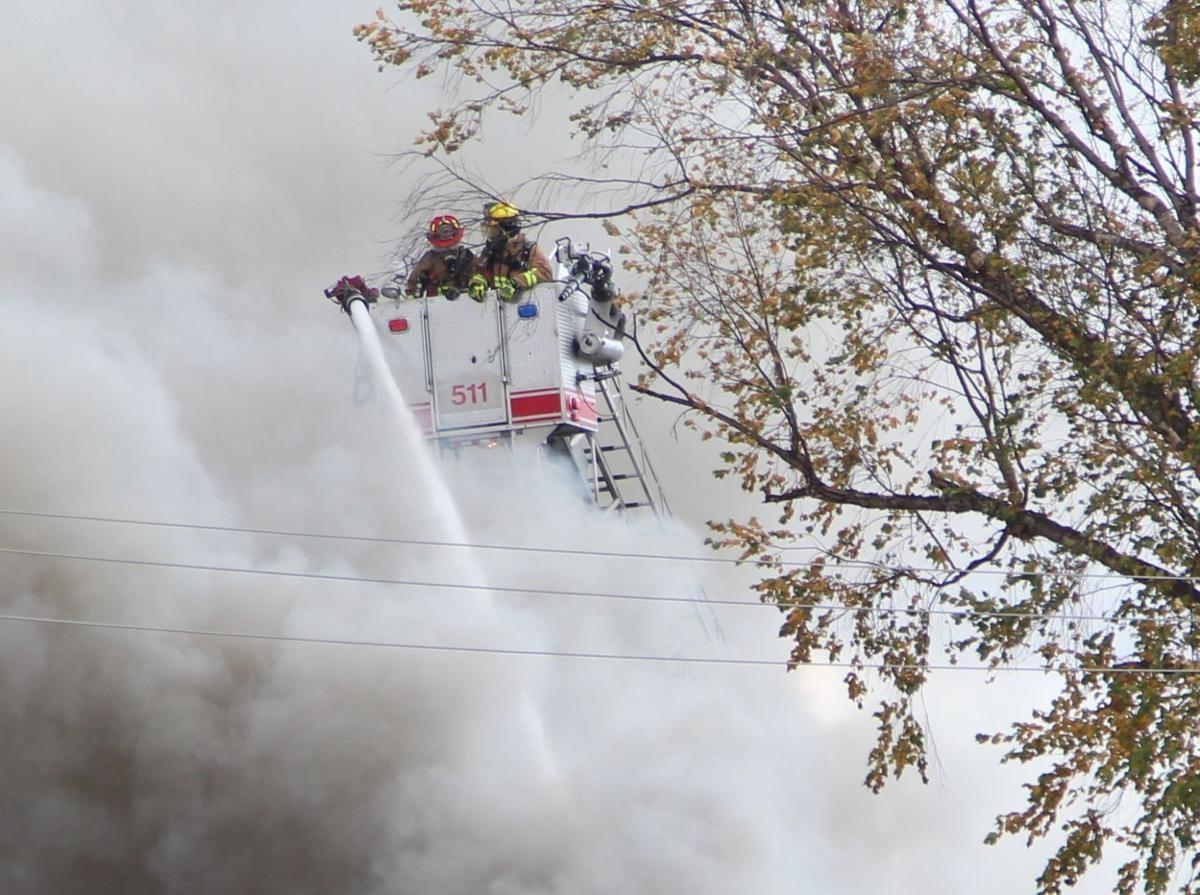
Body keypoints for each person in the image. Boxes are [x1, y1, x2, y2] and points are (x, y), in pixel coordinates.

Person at [468, 202, 553, 301]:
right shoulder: (491, 250)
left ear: (506, 229)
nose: (491, 235)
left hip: (524, 303)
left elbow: (544, 273)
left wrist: (516, 282)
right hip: (498, 306)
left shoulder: (528, 249)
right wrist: (478, 283)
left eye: (493, 230)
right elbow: (481, 272)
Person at [404, 214, 478, 300]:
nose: (446, 234)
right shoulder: (429, 258)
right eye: (443, 232)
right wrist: (412, 298)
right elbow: (413, 282)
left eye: (448, 231)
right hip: (436, 303)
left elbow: (480, 274)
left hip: (467, 302)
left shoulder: (467, 255)